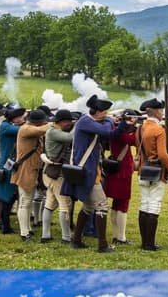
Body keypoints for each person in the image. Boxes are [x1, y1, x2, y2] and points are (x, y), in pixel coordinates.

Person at [61, 94, 119, 252]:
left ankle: (77, 240)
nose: (106, 114)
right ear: (98, 112)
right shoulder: (86, 121)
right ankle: (102, 245)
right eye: (104, 112)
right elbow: (106, 131)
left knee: (88, 207)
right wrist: (110, 120)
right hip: (87, 171)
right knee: (102, 205)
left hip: (90, 169)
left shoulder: (87, 121)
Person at [137, 97, 168, 251]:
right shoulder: (159, 130)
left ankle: (144, 242)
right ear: (155, 112)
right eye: (161, 110)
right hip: (156, 172)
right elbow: (163, 155)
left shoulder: (140, 129)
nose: (162, 113)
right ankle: (149, 244)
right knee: (154, 205)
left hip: (143, 171)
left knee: (144, 204)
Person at [11, 109, 50, 242]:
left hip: (32, 169)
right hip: (25, 170)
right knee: (25, 202)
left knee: (28, 200)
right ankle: (24, 233)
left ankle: (27, 228)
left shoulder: (30, 128)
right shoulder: (26, 129)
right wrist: (56, 123)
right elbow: (44, 129)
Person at [103, 109, 139, 244]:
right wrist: (138, 129)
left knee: (117, 203)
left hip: (116, 170)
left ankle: (117, 235)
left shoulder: (115, 129)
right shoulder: (120, 132)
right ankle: (120, 237)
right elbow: (134, 140)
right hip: (122, 171)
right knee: (123, 204)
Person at [40, 109, 75, 243]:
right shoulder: (54, 132)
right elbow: (71, 137)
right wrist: (79, 124)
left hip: (51, 172)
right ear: (62, 122)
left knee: (50, 203)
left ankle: (46, 234)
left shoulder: (53, 130)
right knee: (65, 204)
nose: (70, 123)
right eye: (68, 121)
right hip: (56, 174)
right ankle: (66, 237)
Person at [0, 107, 25, 235]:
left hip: (7, 165)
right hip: (8, 166)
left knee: (5, 197)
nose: (22, 119)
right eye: (21, 117)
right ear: (15, 118)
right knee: (7, 197)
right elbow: (22, 130)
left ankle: (3, 223)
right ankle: (5, 225)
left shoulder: (7, 125)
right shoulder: (5, 126)